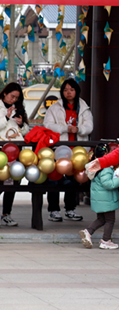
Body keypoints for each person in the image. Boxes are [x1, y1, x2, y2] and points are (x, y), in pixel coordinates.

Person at [0, 83, 30, 228]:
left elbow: (25, 131)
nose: (13, 100)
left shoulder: (17, 108)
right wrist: (6, 118)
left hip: (15, 150)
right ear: (4, 93)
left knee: (14, 182)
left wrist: (21, 125)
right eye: (12, 96)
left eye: (16, 98)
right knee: (0, 182)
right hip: (0, 150)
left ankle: (6, 214)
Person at [43, 78, 93, 222]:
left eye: (71, 89)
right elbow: (47, 125)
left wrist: (79, 129)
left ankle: (70, 209)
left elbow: (89, 126)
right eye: (65, 90)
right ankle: (53, 210)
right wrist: (65, 128)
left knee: (73, 181)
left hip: (77, 150)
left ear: (77, 91)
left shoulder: (84, 108)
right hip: (59, 149)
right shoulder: (55, 107)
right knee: (54, 179)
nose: (68, 92)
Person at [80, 145, 119, 250]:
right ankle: (106, 241)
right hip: (107, 199)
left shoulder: (94, 167)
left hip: (99, 199)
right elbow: (109, 184)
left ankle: (88, 232)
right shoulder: (106, 169)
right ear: (106, 155)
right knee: (110, 220)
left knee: (101, 219)